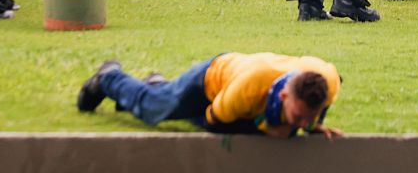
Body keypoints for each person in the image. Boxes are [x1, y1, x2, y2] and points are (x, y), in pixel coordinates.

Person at [77, 52, 342, 138]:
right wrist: (266, 131)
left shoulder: (327, 82)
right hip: (210, 82)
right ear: (284, 96)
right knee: (153, 110)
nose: (299, 125)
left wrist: (313, 126)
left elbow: (317, 107)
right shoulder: (247, 90)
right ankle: (109, 77)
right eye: (297, 117)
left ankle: (158, 84)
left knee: (167, 99)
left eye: (307, 118)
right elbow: (214, 122)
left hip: (242, 78)